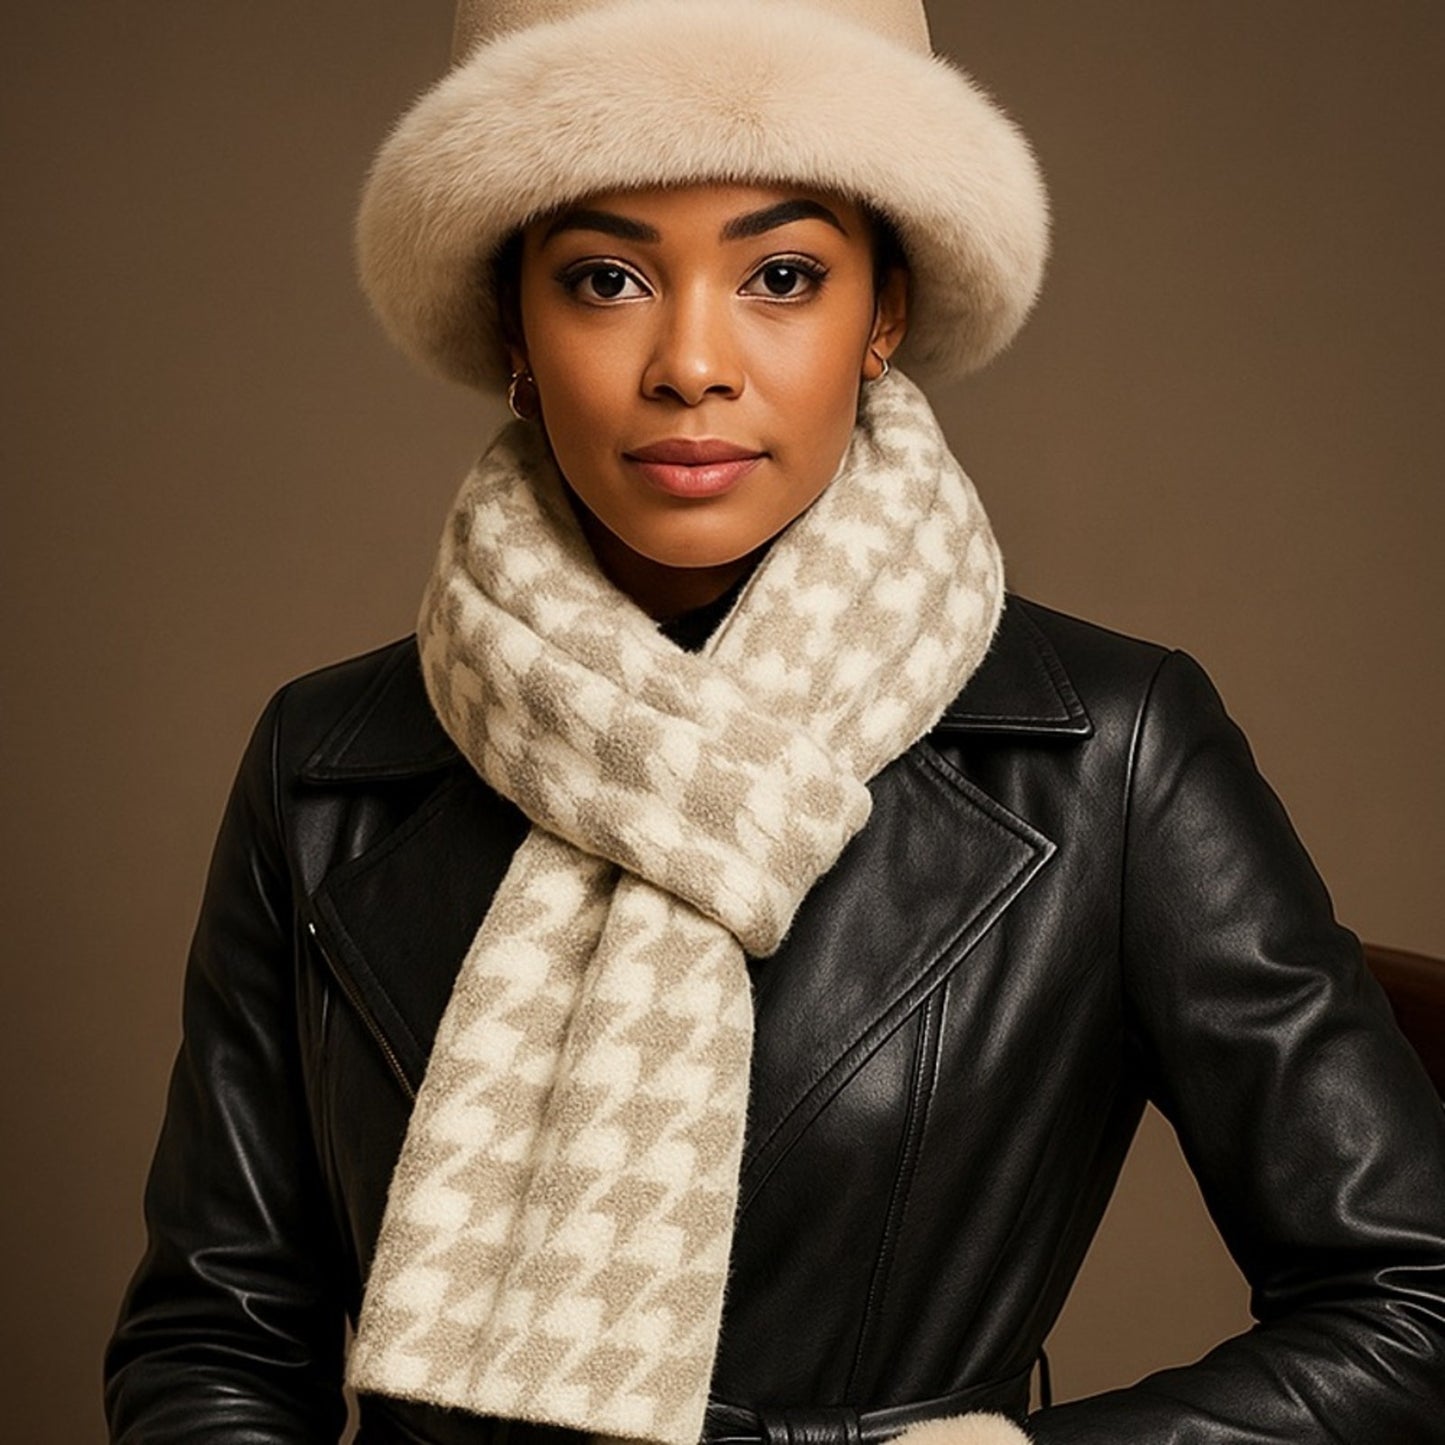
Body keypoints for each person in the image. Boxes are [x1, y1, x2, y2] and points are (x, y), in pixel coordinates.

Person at [103, 1, 1445, 1442]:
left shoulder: (1110, 751)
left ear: (885, 315)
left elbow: (1408, 1297)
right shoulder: (328, 761)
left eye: (782, 274)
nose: (691, 361)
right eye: (607, 276)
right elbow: (213, 1338)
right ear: (511, 326)